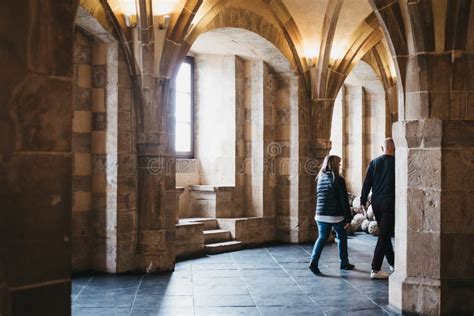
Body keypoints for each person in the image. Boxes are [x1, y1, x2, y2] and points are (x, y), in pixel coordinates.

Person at [309, 155, 354, 275]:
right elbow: (343, 201)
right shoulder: (338, 179)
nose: (339, 166)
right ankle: (344, 262)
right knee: (342, 237)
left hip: (320, 214)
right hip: (335, 215)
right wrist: (348, 218)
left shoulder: (320, 178)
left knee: (322, 238)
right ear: (334, 165)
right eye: (338, 164)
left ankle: (314, 262)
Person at [361, 138, 395, 279]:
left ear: (382, 148)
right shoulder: (398, 162)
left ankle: (393, 263)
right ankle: (375, 269)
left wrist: (363, 201)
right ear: (394, 148)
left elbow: (366, 183)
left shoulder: (374, 163)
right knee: (384, 235)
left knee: (385, 233)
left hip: (376, 203)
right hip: (390, 202)